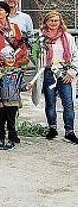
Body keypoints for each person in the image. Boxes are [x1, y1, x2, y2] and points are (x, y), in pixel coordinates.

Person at [37, 11, 78, 144]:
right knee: (50, 102)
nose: (53, 23)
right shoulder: (41, 37)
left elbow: (75, 55)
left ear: (60, 22)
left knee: (68, 103)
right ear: (46, 22)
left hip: (64, 73)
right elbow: (35, 55)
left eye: (56, 20)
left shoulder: (67, 37)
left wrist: (71, 72)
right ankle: (52, 128)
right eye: (51, 20)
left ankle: (69, 131)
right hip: (49, 72)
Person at [0, 47, 25, 150]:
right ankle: (0, 139)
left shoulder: (18, 72)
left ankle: (11, 139)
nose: (11, 60)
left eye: (12, 58)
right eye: (8, 58)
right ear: (2, 60)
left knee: (11, 123)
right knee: (1, 122)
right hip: (1, 102)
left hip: (13, 102)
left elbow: (22, 86)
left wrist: (27, 86)